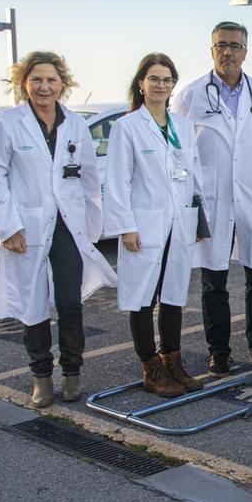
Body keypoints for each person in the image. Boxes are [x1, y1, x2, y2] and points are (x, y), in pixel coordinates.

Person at [0, 51, 116, 407]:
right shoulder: (9, 124)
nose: (44, 86)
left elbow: (88, 177)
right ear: (24, 83)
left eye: (51, 80)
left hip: (68, 225)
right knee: (33, 303)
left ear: (62, 84)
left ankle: (72, 372)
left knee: (70, 302)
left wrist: (91, 226)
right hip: (27, 226)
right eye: (36, 79)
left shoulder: (75, 124)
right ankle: (41, 376)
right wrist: (8, 227)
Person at [172, 22, 252, 376]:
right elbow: (178, 151)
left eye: (235, 46)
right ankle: (218, 351)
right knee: (213, 279)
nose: (227, 52)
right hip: (212, 199)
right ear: (211, 50)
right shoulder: (191, 95)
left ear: (245, 52)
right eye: (221, 45)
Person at [104, 53, 205, 397]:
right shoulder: (127, 127)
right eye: (154, 79)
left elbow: (193, 174)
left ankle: (172, 361)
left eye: (167, 80)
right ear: (141, 84)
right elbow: (117, 181)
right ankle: (150, 367)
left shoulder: (182, 126)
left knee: (174, 294)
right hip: (144, 225)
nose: (161, 85)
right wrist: (126, 226)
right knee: (143, 296)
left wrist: (196, 220)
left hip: (179, 221)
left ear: (173, 85)